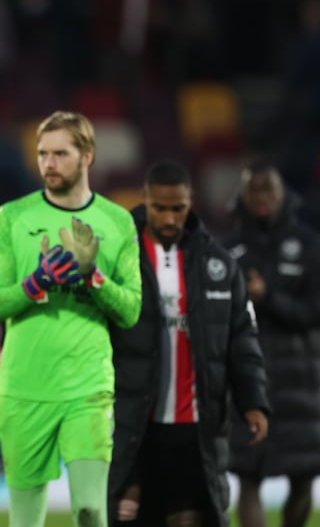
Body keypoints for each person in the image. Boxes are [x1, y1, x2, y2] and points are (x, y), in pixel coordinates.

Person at [0, 110, 142, 527]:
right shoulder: (12, 217)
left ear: (87, 156)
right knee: (25, 520)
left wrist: (93, 277)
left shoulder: (118, 221)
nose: (48, 163)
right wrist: (36, 282)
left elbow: (130, 311)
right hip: (23, 387)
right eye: (42, 154)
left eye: (60, 154)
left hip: (87, 385)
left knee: (90, 510)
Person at [108, 160, 270, 527]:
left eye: (177, 208)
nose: (168, 218)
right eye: (159, 208)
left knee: (194, 518)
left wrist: (254, 401)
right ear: (145, 201)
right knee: (131, 517)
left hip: (198, 425)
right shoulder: (119, 257)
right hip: (135, 422)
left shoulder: (218, 263)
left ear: (190, 202)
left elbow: (241, 338)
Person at [224, 161, 320, 527]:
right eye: (254, 190)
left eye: (269, 190)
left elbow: (315, 311)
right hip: (249, 380)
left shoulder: (309, 245)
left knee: (305, 478)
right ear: (243, 196)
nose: (262, 198)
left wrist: (269, 297)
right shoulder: (227, 249)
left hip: (301, 384)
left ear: (283, 195)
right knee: (248, 477)